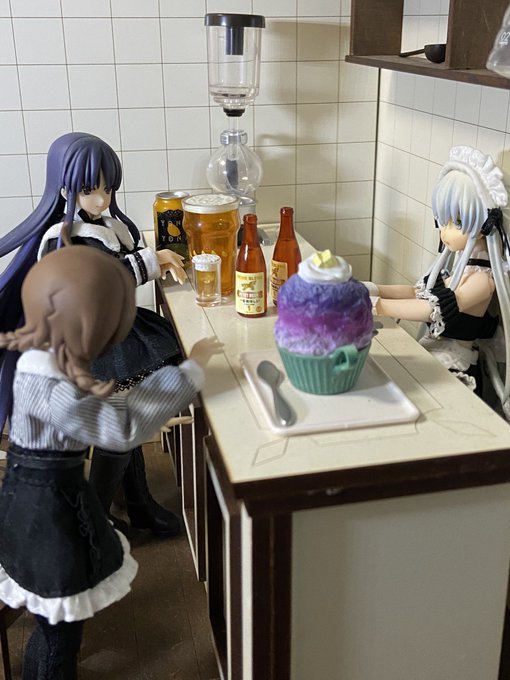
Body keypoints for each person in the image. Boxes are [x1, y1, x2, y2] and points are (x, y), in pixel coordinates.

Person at [0, 245, 220, 679]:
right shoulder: (56, 389)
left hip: (31, 504)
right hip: (48, 518)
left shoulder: (37, 362)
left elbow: (100, 414)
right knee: (61, 629)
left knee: (55, 619)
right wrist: (189, 371)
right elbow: (120, 427)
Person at [0, 132, 189, 537]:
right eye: (89, 190)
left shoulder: (104, 225)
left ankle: (138, 505)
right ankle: (95, 519)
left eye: (107, 188)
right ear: (65, 189)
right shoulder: (63, 237)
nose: (101, 199)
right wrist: (151, 260)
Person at [367, 145, 510, 406]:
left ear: (483, 224)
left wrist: (377, 306)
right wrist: (371, 288)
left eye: (456, 222)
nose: (444, 231)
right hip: (433, 357)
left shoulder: (482, 281)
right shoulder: (460, 269)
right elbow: (416, 293)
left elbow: (433, 309)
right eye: (442, 221)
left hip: (455, 369)